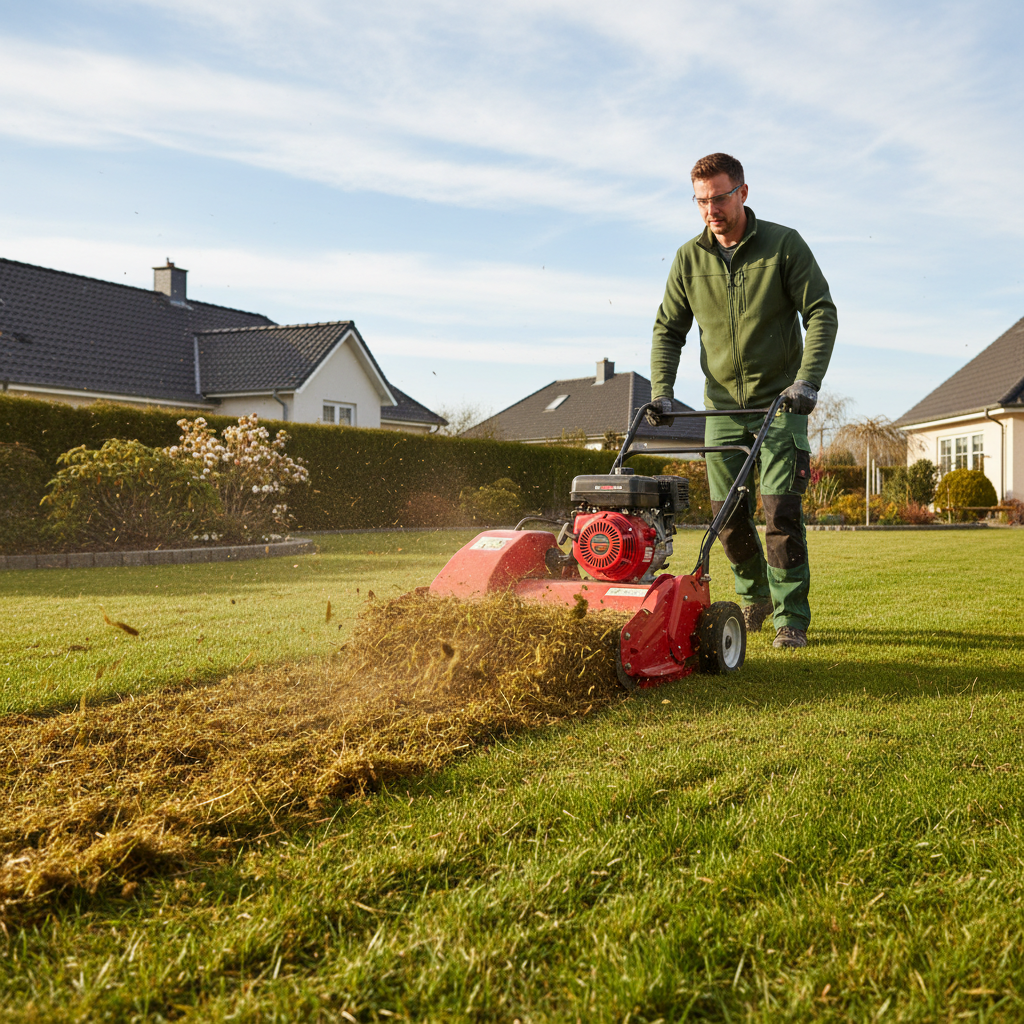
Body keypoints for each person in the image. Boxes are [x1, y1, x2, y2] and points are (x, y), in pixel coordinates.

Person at [647, 152, 837, 648]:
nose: (711, 209)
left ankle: (790, 618)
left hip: (781, 403)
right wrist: (662, 393)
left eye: (720, 197)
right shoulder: (690, 259)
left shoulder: (782, 245)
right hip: (723, 408)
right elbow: (668, 330)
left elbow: (821, 312)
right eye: (701, 200)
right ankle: (755, 599)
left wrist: (807, 380)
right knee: (726, 517)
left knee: (780, 512)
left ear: (743, 193)